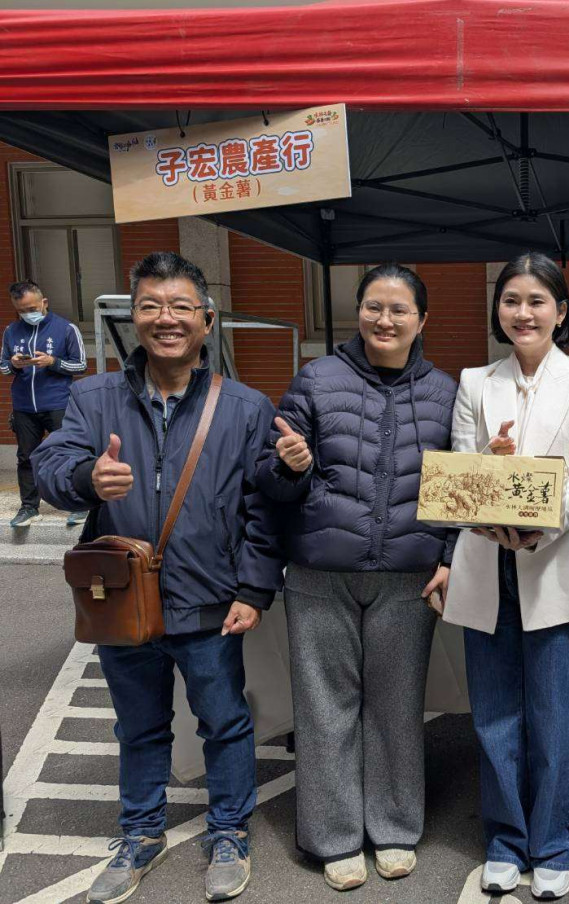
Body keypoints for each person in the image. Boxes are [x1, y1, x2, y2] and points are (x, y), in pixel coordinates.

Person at [33, 252, 285, 904]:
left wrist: (255, 589)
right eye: (150, 306)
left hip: (208, 597)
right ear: (133, 319)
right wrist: (87, 479)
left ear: (206, 320)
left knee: (224, 720)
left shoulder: (246, 407)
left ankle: (229, 831)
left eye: (180, 307)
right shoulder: (94, 397)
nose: (165, 319)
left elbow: (264, 508)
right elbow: (52, 464)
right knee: (138, 724)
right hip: (123, 598)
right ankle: (139, 833)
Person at [254, 264, 456, 891]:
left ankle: (394, 827)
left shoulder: (448, 393)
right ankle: (334, 837)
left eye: (399, 310)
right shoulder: (316, 379)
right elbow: (269, 478)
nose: (384, 320)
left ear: (422, 319)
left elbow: (462, 490)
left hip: (408, 575)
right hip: (320, 571)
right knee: (325, 709)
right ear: (357, 313)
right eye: (373, 307)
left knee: (397, 707)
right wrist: (289, 466)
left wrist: (448, 553)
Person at [441, 252, 569, 901]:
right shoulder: (474, 380)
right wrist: (491, 465)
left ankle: (555, 843)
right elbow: (463, 467)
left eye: (538, 300)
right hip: (488, 560)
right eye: (511, 300)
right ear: (499, 311)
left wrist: (540, 526)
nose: (524, 312)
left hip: (557, 560)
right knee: (493, 713)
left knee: (556, 712)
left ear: (562, 311)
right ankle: (505, 840)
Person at [1, 279, 88, 527]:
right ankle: (29, 507)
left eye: (32, 308)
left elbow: (80, 364)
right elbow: (3, 366)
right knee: (26, 457)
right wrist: (15, 365)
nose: (28, 314)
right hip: (24, 406)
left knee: (69, 454)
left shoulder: (66, 329)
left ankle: (79, 504)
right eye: (21, 310)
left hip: (58, 402)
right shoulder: (11, 331)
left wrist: (53, 362)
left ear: (44, 302)